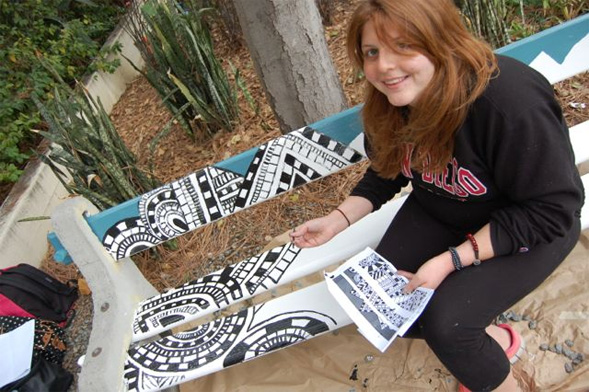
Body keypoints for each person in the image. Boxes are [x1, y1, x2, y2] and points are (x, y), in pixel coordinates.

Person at [290, 0, 584, 391]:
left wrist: (448, 263)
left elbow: (554, 210)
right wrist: (337, 220)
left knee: (448, 325)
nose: (383, 67)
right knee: (386, 307)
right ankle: (494, 345)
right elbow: (387, 170)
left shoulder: (510, 103)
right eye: (372, 52)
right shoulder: (393, 98)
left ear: (441, 41)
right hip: (442, 211)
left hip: (525, 227)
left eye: (403, 46)